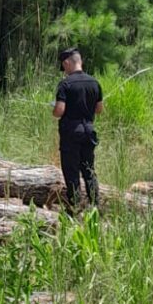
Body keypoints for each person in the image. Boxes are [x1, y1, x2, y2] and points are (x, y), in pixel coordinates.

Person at [52, 48, 103, 211]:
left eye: (63, 66)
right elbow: (99, 109)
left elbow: (59, 111)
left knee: (71, 170)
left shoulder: (65, 84)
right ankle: (95, 205)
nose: (64, 70)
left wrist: (54, 109)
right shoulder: (94, 83)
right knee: (89, 169)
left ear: (67, 63)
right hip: (89, 131)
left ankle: (75, 207)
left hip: (71, 133)